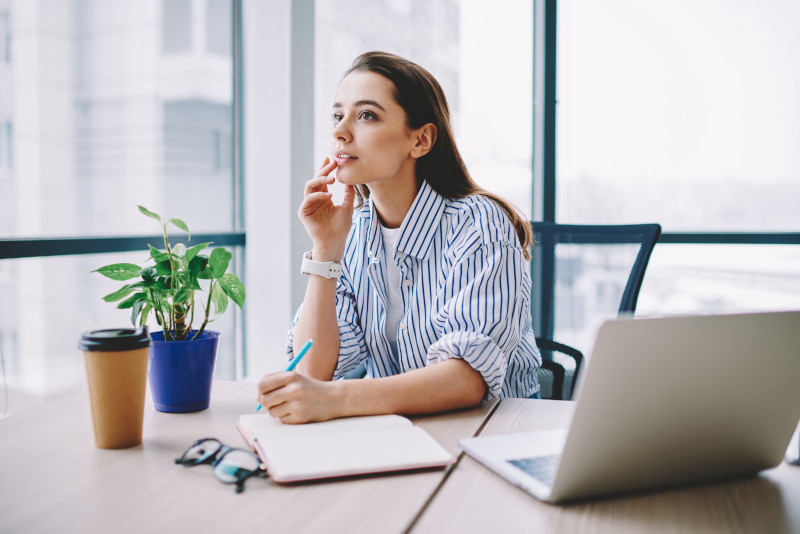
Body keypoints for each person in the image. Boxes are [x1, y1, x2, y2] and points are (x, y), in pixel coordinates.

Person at [257, 51, 541, 423]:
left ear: (421, 140)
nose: (340, 132)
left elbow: (466, 378)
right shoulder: (355, 232)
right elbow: (311, 372)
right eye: (337, 115)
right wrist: (325, 250)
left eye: (367, 115)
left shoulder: (479, 225)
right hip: (402, 431)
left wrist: (336, 399)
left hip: (491, 430)